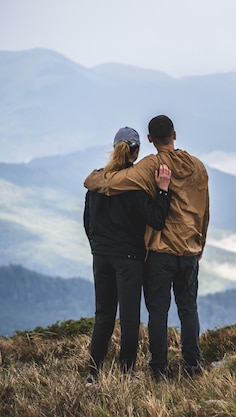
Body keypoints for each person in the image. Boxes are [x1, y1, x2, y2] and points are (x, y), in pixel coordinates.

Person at [84, 115, 210, 380]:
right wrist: (201, 242)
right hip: (188, 248)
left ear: (151, 139)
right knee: (188, 308)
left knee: (157, 311)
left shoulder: (150, 166)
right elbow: (204, 210)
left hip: (160, 251)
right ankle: (193, 365)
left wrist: (93, 180)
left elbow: (112, 183)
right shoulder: (198, 166)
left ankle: (158, 369)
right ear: (174, 134)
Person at [83, 126, 172, 383]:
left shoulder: (97, 183)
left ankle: (93, 374)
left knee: (104, 316)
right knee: (130, 319)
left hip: (101, 256)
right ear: (137, 152)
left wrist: (97, 248)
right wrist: (163, 191)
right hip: (130, 259)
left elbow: (88, 222)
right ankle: (127, 373)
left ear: (114, 150)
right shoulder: (134, 187)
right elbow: (156, 220)